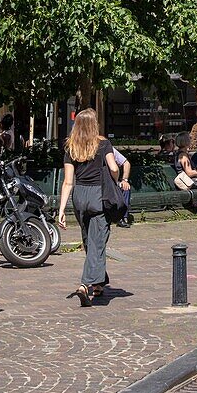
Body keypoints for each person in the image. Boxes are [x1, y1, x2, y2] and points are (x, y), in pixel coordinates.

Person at [58, 108, 120, 306]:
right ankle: (85, 285)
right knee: (98, 241)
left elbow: (68, 181)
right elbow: (114, 168)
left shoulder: (71, 147)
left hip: (79, 196)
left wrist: (61, 210)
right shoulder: (103, 144)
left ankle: (99, 283)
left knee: (89, 239)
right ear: (94, 125)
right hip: (98, 195)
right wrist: (115, 181)